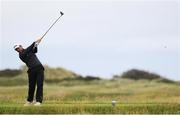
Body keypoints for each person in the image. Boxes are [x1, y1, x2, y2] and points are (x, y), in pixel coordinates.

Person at [14, 38, 44, 106]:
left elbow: (34, 51)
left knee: (39, 85)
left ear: (21, 46)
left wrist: (36, 45)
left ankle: (39, 101)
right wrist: (34, 42)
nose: (18, 49)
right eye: (16, 49)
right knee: (31, 86)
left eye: (18, 48)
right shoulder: (21, 55)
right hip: (31, 70)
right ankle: (29, 101)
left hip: (39, 68)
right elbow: (28, 50)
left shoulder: (28, 51)